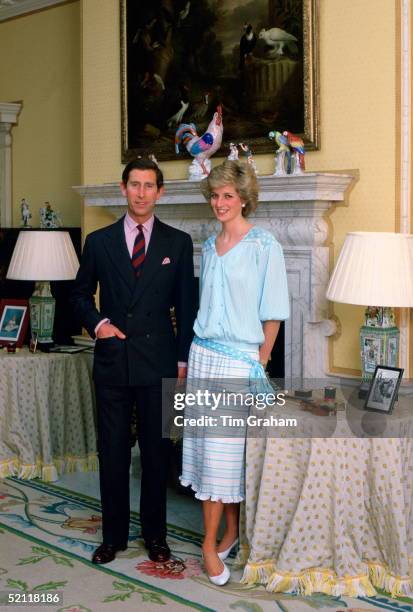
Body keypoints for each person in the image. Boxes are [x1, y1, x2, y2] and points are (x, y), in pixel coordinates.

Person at [71, 158, 196, 565]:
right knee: (113, 452)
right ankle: (114, 537)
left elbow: (186, 307)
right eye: (134, 185)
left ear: (160, 192)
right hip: (113, 362)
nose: (141, 193)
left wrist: (182, 362)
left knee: (157, 453)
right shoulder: (99, 241)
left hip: (159, 363)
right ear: (123, 189)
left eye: (149, 186)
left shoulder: (178, 243)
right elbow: (78, 294)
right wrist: (99, 323)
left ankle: (156, 537)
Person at [180, 159, 289, 585]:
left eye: (228, 195)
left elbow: (274, 314)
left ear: (244, 198)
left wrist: (260, 364)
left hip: (238, 361)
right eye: (215, 195)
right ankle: (223, 537)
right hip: (203, 354)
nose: (220, 202)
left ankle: (211, 543)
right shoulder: (208, 246)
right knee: (211, 456)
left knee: (226, 459)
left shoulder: (265, 246)